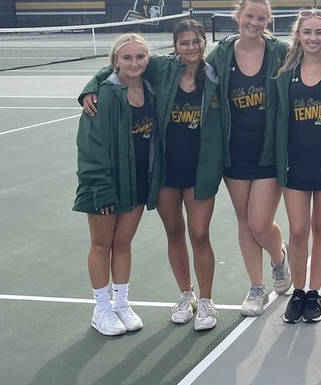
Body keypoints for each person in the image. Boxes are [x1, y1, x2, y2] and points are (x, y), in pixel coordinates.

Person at [78, 20, 225, 331]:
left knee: (198, 234)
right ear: (174, 46)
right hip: (163, 173)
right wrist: (91, 86)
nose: (191, 47)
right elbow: (116, 70)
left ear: (204, 42)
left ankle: (206, 303)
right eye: (184, 42)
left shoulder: (214, 74)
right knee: (171, 234)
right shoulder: (162, 70)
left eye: (196, 41)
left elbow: (126, 67)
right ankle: (185, 296)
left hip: (195, 171)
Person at [73, 33, 161, 336]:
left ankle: (121, 303)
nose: (134, 63)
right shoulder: (104, 95)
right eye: (127, 57)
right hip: (106, 183)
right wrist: (101, 187)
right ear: (115, 61)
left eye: (140, 57)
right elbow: (91, 146)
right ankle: (101, 308)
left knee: (123, 244)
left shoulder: (151, 87)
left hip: (137, 182)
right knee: (102, 244)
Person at [209, 0, 292, 316]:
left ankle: (278, 257)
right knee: (244, 222)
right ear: (237, 16)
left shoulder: (281, 53)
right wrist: (99, 81)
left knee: (259, 222)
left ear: (268, 21)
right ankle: (257, 287)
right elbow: (172, 69)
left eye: (262, 18)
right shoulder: (222, 54)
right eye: (250, 16)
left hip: (270, 152)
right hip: (234, 154)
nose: (255, 23)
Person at [274, 9, 321, 324]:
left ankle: (314, 292)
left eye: (319, 32)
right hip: (295, 163)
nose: (313, 38)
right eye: (308, 32)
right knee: (299, 229)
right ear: (298, 37)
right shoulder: (286, 70)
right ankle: (298, 292)